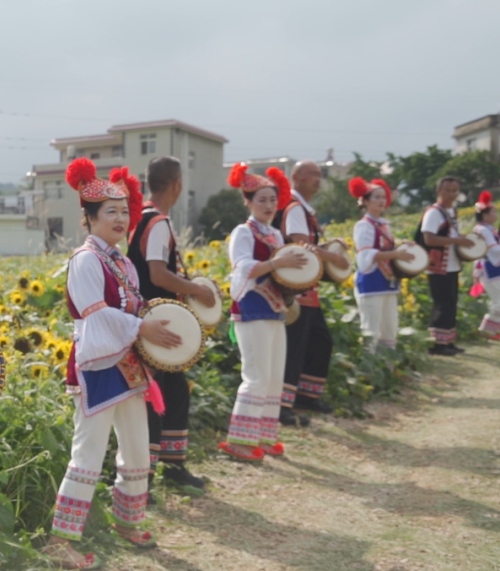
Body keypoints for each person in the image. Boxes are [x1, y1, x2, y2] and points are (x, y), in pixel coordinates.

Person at [43, 158, 181, 570]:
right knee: (87, 453)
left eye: (124, 211)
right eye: (110, 212)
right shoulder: (85, 260)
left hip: (129, 366)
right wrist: (142, 328)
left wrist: (150, 328)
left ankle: (128, 520)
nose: (121, 219)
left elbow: (132, 308)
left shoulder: (122, 262)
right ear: (89, 217)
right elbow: (95, 313)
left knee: (137, 449)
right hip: (98, 366)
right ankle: (59, 541)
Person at [126, 156, 211, 493]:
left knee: (172, 393)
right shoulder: (158, 222)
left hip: (144, 319)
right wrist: (197, 290)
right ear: (177, 185)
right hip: (156, 325)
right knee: (158, 397)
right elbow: (158, 274)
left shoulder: (139, 219)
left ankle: (169, 468)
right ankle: (146, 478)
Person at [220, 164, 308, 461]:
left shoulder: (274, 234)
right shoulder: (243, 232)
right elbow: (242, 267)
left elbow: (280, 273)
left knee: (272, 376)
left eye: (273, 199)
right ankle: (240, 440)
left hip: (274, 309)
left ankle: (264, 437)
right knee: (256, 375)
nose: (269, 205)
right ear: (247, 201)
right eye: (262, 200)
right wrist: (278, 264)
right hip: (251, 308)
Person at [272, 161, 345, 424]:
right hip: (294, 289)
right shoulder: (294, 206)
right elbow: (301, 243)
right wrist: (333, 257)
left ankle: (306, 396)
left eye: (319, 174)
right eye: (312, 174)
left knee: (319, 340)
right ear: (296, 177)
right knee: (294, 346)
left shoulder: (301, 207)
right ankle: (282, 405)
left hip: (305, 288)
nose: (318, 178)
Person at [349, 177, 412, 353]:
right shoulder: (364, 225)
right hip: (372, 280)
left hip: (387, 281)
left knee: (389, 326)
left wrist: (402, 246)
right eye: (376, 197)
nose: (381, 201)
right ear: (365, 201)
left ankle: (387, 364)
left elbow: (385, 247)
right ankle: (369, 365)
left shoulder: (383, 225)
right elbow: (364, 255)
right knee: (371, 328)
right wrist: (396, 254)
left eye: (383, 197)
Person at [415, 176, 476, 355]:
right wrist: (457, 240)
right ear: (439, 192)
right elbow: (429, 238)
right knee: (442, 303)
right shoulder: (434, 212)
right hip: (437, 265)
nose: (452, 194)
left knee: (450, 302)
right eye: (448, 190)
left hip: (451, 264)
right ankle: (437, 345)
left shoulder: (451, 211)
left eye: (455, 190)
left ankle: (448, 341)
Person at [471, 191, 500, 339]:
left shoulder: (488, 228)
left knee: (499, 300)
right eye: (493, 211)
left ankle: (492, 330)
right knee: (498, 300)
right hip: (489, 268)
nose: (496, 214)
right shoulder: (482, 229)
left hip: (493, 267)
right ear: (485, 215)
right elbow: (493, 249)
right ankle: (489, 330)